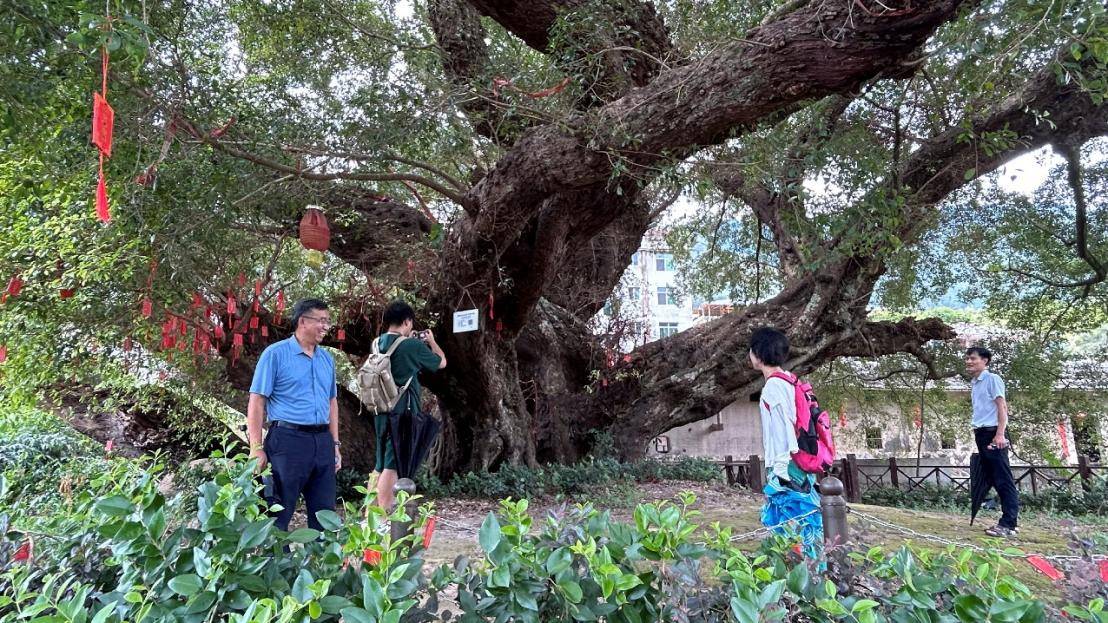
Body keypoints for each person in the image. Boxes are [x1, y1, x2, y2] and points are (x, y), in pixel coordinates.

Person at [247, 299, 340, 531]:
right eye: (321, 321)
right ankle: (279, 565)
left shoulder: (326, 359)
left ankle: (320, 565)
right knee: (277, 514)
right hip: (287, 441)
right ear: (303, 321)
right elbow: (257, 401)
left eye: (327, 321)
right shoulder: (275, 354)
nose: (325, 326)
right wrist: (255, 447)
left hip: (322, 442)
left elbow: (332, 402)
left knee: (325, 515)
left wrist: (335, 444)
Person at [749, 327, 823, 557]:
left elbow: (783, 427)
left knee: (789, 518)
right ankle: (812, 571)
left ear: (759, 355)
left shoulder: (773, 387)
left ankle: (801, 575)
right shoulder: (790, 380)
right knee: (805, 518)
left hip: (786, 463)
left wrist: (780, 468)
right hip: (800, 461)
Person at [374, 300, 446, 510]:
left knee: (380, 463)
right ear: (407, 321)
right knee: (392, 464)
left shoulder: (377, 343)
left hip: (380, 409)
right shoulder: (411, 345)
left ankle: (371, 512)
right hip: (402, 413)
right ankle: (384, 515)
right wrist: (431, 341)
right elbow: (441, 362)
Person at [966, 346, 1020, 537]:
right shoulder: (975, 383)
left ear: (985, 361)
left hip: (992, 433)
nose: (969, 362)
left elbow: (1002, 406)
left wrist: (1000, 435)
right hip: (981, 433)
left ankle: (1008, 524)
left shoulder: (992, 379)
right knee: (993, 478)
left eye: (973, 358)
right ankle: (1008, 519)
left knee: (1002, 478)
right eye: (967, 359)